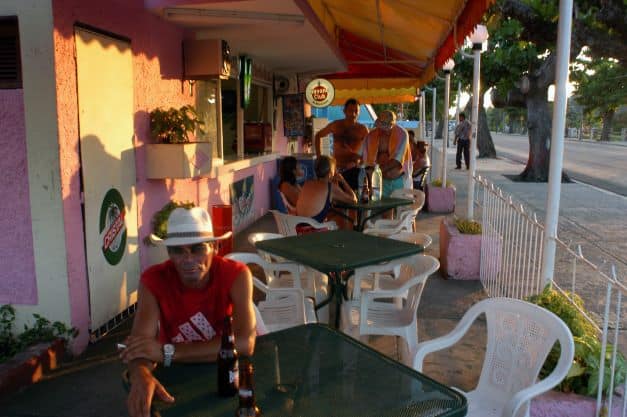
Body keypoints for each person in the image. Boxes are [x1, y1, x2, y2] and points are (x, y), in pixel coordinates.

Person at [121, 207, 256, 417]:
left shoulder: (236, 274)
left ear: (214, 247)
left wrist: (168, 352)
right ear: (169, 253)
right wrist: (140, 374)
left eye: (197, 248)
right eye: (177, 250)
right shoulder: (154, 280)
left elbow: (245, 343)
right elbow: (140, 345)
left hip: (227, 374)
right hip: (180, 375)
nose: (187, 258)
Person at [314, 98, 369, 190]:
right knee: (337, 197)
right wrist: (319, 157)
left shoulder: (363, 129)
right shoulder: (336, 125)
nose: (353, 114)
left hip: (354, 169)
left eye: (356, 111)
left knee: (353, 196)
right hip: (336, 169)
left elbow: (369, 150)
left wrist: (359, 162)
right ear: (344, 111)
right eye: (350, 110)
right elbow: (318, 136)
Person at [361, 110, 413, 198]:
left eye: (387, 127)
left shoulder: (402, 134)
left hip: (398, 180)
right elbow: (365, 160)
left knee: (401, 210)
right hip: (379, 182)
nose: (384, 130)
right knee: (381, 210)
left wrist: (376, 171)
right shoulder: (370, 136)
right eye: (382, 126)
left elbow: (397, 161)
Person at [296, 155, 356, 225]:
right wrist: (343, 181)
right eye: (334, 169)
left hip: (298, 226)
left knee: (334, 215)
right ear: (330, 172)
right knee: (340, 218)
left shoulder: (307, 183)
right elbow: (354, 200)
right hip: (311, 230)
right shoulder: (330, 187)